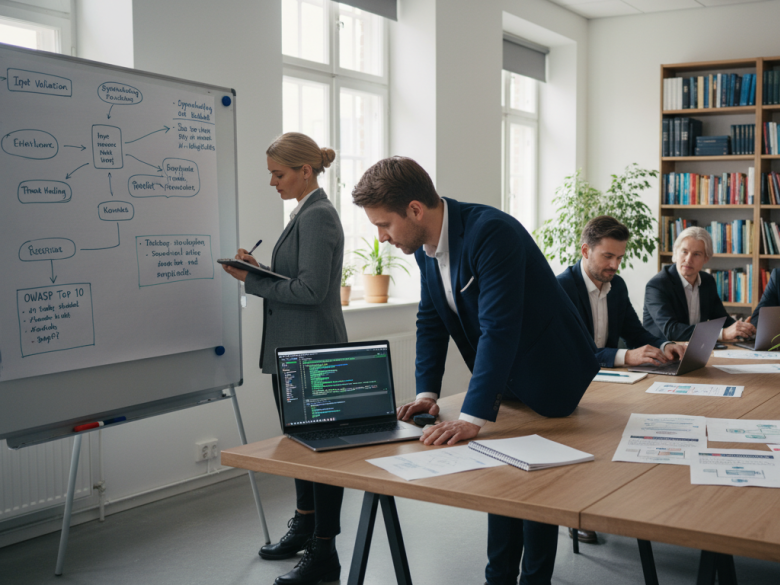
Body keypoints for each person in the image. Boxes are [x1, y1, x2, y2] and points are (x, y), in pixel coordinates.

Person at [351, 156, 599, 585]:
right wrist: (427, 394)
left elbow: (499, 327)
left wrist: (471, 416)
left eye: (384, 225)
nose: (381, 237)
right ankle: (498, 578)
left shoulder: (491, 232)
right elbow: (431, 319)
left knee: (538, 488)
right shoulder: (425, 248)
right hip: (507, 381)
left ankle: (534, 580)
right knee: (503, 477)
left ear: (415, 209)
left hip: (551, 376)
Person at [222, 132, 348, 585]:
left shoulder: (318, 216)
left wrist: (252, 281)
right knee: (300, 447)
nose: (272, 182)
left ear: (305, 171)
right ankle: (305, 528)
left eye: (278, 174)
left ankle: (324, 551)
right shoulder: (304, 213)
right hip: (293, 352)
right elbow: (297, 278)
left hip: (312, 354)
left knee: (321, 455)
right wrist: (257, 270)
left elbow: (311, 291)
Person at [556, 215, 684, 545]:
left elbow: (636, 333)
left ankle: (611, 501)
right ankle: (577, 509)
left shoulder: (618, 286)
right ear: (585, 251)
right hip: (573, 387)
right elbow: (574, 352)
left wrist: (665, 346)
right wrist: (625, 356)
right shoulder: (561, 288)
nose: (615, 265)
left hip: (609, 385)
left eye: (619, 257)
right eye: (608, 256)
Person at [643, 226, 756, 342]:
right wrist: (722, 334)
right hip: (661, 350)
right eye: (684, 252)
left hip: (696, 348)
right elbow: (672, 330)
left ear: (706, 259)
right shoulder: (657, 285)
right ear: (675, 253)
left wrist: (743, 329)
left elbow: (722, 320)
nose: (688, 259)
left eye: (696, 254)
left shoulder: (707, 281)